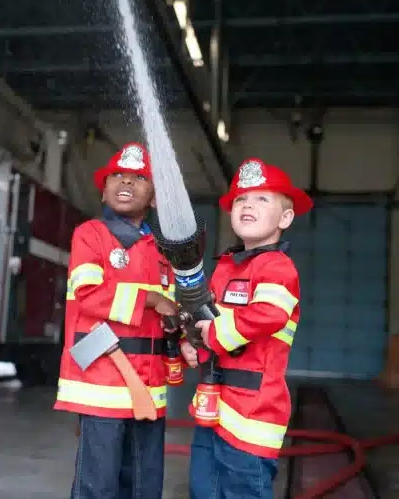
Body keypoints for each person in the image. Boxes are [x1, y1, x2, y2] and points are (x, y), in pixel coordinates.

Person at [180, 158, 313, 499]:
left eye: (261, 199)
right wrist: (193, 342)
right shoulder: (226, 266)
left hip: (254, 413)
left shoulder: (278, 268)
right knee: (203, 491)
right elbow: (206, 319)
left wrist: (213, 335)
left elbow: (269, 314)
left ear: (285, 218)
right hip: (213, 407)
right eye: (241, 199)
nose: (248, 205)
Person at [54, 142, 179, 499]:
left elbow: (167, 312)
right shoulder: (90, 235)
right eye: (117, 177)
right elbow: (89, 295)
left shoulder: (161, 250)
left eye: (138, 178)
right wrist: (153, 299)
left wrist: (179, 326)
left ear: (154, 197)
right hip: (103, 382)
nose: (126, 183)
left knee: (144, 483)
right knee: (100, 483)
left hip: (149, 385)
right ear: (104, 192)